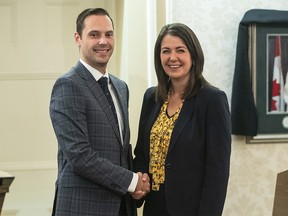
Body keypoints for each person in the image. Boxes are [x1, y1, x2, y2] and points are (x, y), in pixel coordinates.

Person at [49, 8, 149, 216]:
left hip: (122, 206)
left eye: (109, 34)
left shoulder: (120, 87)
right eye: (94, 34)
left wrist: (139, 182)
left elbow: (121, 151)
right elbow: (80, 156)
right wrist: (132, 181)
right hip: (83, 208)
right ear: (78, 38)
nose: (103, 41)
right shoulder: (68, 85)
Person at [133, 23, 231, 216]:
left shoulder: (212, 100)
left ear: (193, 56)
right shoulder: (151, 98)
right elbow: (142, 154)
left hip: (191, 209)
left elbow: (217, 172)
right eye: (166, 51)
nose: (173, 58)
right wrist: (139, 182)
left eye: (180, 50)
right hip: (153, 207)